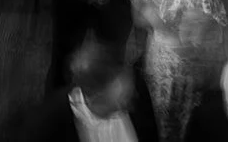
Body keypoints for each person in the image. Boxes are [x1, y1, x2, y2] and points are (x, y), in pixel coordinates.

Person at [133, 0, 228, 142]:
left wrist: (156, 22)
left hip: (182, 83)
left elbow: (190, 48)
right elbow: (139, 19)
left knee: (179, 130)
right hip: (163, 77)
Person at [19, 41, 157, 142]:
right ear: (94, 95)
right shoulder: (48, 124)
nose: (132, 102)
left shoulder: (138, 87)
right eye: (122, 99)